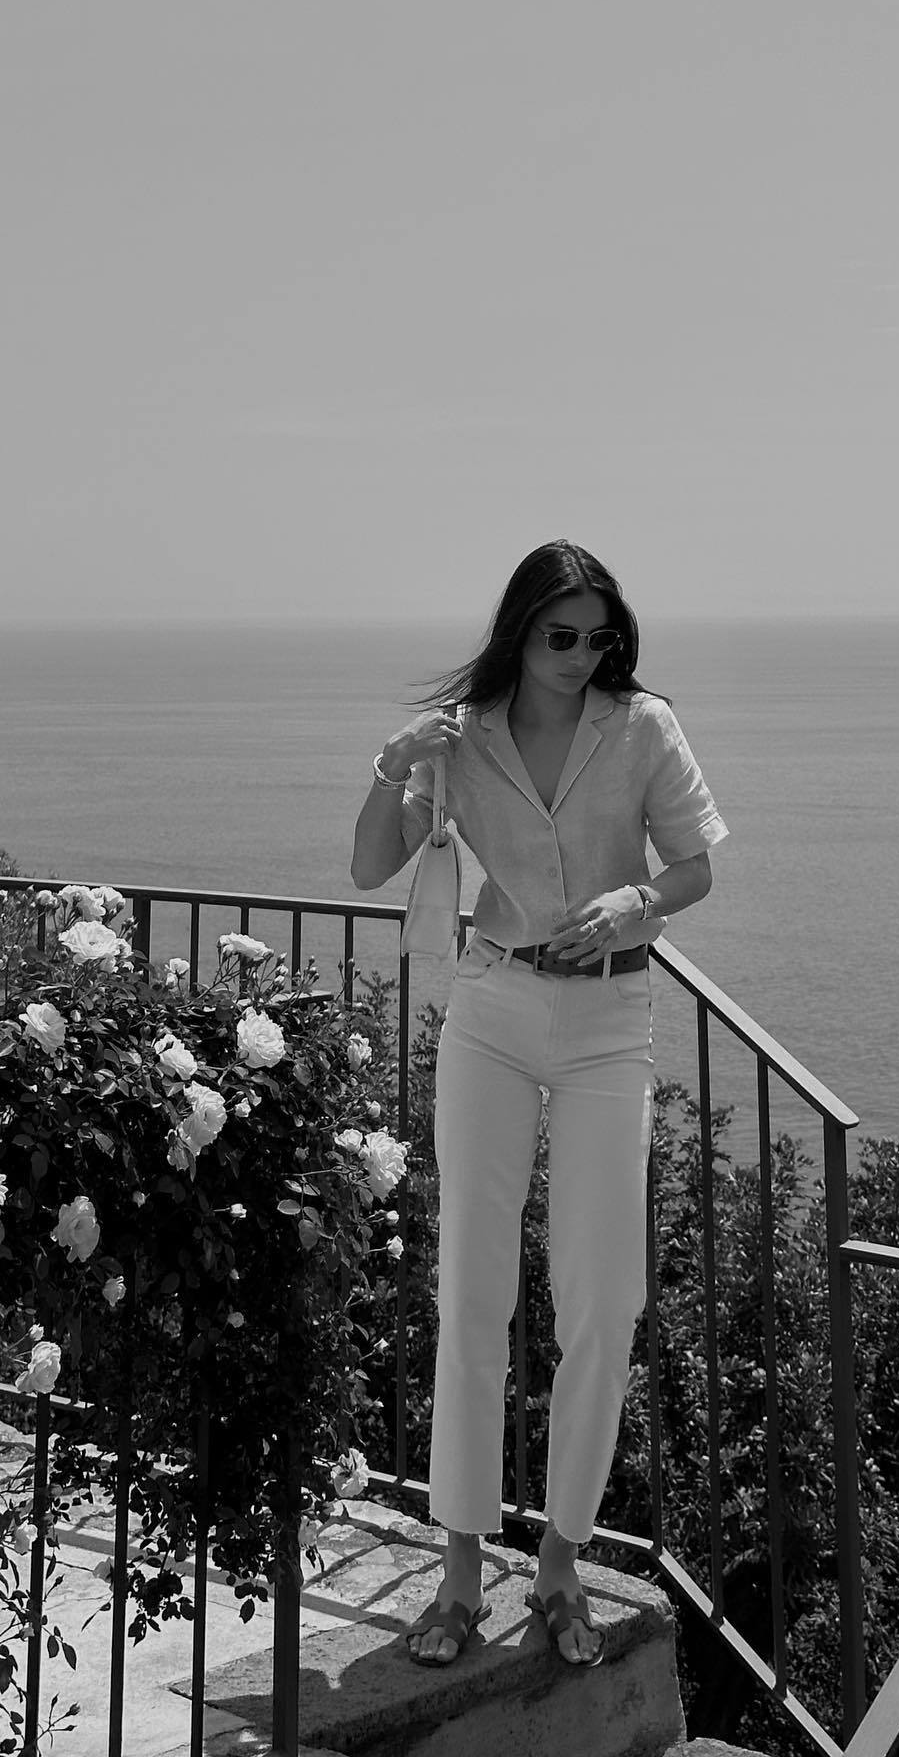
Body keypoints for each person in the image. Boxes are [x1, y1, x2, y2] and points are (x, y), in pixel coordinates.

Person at [350, 540, 727, 1668]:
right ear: (520, 631)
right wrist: (392, 764)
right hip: (493, 1010)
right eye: (562, 635)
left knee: (603, 1301)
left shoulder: (643, 726)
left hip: (612, 1017)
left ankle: (560, 1563)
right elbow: (369, 867)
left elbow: (696, 865)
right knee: (472, 1287)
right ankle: (461, 1571)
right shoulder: (461, 740)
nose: (582, 655)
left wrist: (635, 902)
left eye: (600, 637)